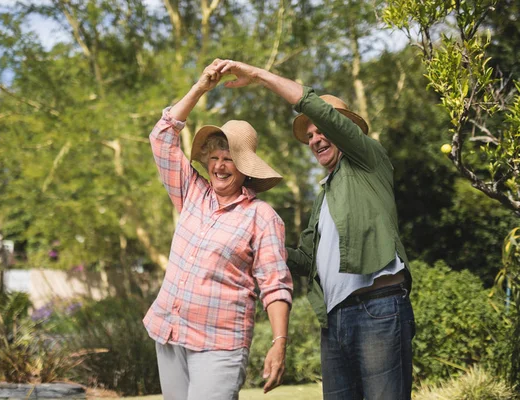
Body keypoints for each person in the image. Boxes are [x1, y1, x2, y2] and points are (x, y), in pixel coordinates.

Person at [215, 59, 415, 400]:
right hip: (334, 319)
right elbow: (306, 259)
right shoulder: (324, 198)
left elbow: (315, 108)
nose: (315, 138)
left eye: (321, 130)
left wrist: (260, 75)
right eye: (309, 136)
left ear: (343, 129)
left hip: (377, 309)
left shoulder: (370, 161)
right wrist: (258, 234)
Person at [143, 60, 293, 400]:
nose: (220, 165)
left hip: (219, 344)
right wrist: (199, 88)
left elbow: (276, 285)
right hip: (169, 330)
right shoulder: (191, 191)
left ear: (245, 168)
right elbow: (162, 137)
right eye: (215, 157)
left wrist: (279, 342)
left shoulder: (261, 216)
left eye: (230, 158)